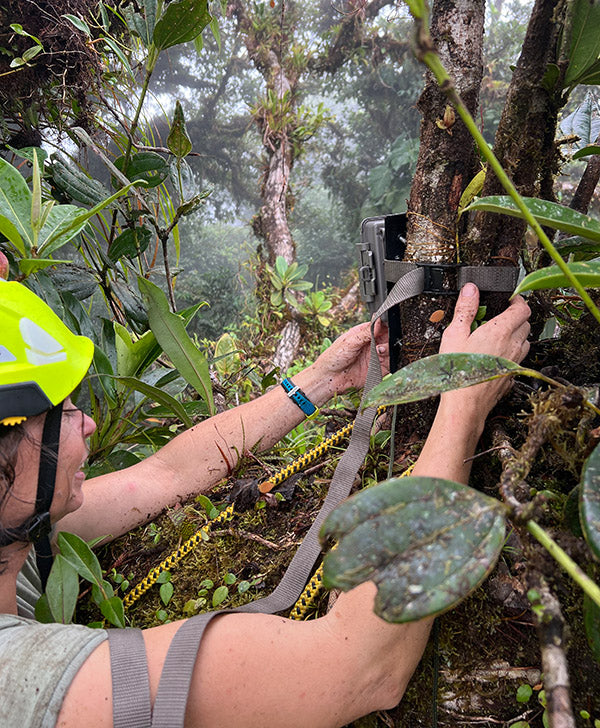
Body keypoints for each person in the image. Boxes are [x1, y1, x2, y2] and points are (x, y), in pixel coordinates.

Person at [0, 277, 530, 728]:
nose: (88, 422)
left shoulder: (17, 517)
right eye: (62, 413)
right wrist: (463, 400)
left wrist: (322, 381)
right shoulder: (20, 683)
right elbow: (357, 668)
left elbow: (163, 477)